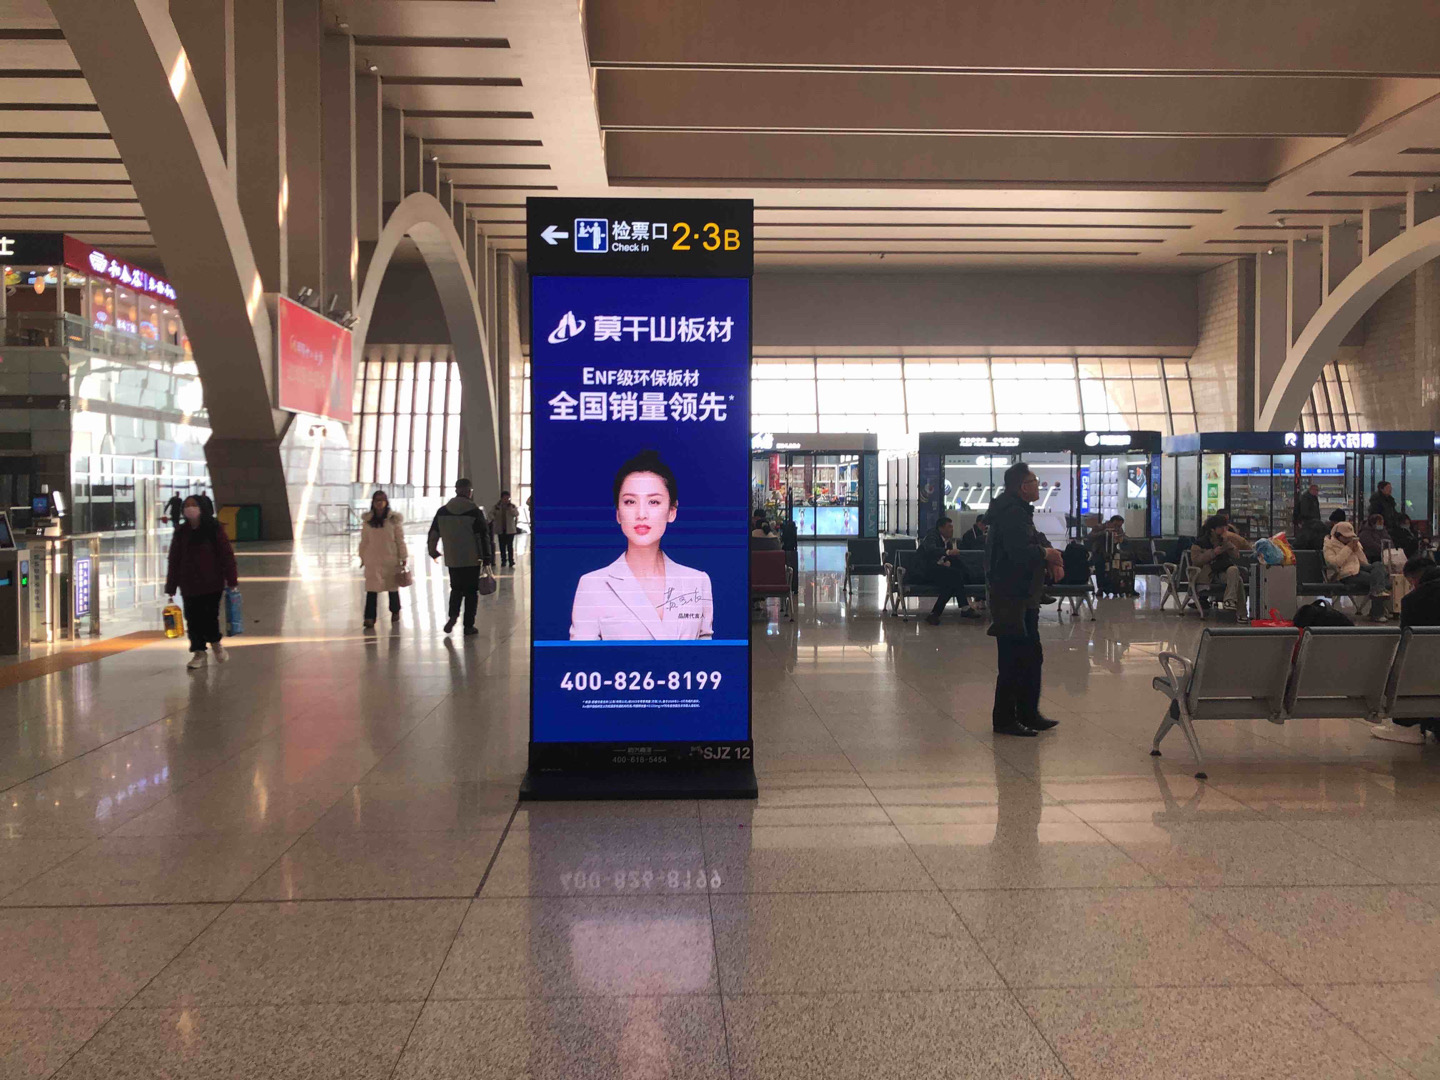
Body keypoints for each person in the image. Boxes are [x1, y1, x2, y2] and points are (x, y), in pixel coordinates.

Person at [570, 450, 713, 640]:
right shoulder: (593, 585)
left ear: (672, 511)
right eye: (630, 502)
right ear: (618, 513)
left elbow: (706, 654)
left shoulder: (697, 582)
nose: (641, 514)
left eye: (653, 502)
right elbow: (582, 657)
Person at [985, 461, 1061, 737]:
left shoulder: (1019, 511)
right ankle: (1005, 719)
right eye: (1034, 481)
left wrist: (1051, 553)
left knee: (1031, 656)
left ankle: (1028, 712)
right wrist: (1046, 554)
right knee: (1014, 659)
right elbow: (1019, 552)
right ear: (1022, 487)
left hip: (1025, 595)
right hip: (1010, 596)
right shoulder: (1010, 514)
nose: (1038, 485)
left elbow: (1036, 538)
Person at [164, 495, 238, 670]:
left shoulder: (214, 529)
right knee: (192, 618)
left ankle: (215, 643)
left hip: (212, 582)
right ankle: (199, 652)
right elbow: (174, 559)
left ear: (202, 507)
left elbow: (226, 556)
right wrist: (171, 585)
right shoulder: (181, 532)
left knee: (209, 616)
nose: (189, 508)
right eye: (187, 505)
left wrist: (231, 579)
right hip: (189, 583)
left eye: (194, 505)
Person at [428, 478, 493, 636]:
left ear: (456, 490)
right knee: (471, 592)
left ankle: (453, 616)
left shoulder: (442, 511)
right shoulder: (475, 512)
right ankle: (468, 626)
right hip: (471, 558)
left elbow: (433, 533)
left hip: (453, 558)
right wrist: (487, 557)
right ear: (469, 492)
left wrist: (433, 551)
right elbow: (483, 536)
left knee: (456, 589)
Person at [915, 515, 980, 624]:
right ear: (941, 528)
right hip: (923, 572)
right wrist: (948, 552)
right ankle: (964, 608)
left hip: (935, 571)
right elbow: (931, 550)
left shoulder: (947, 541)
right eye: (949, 527)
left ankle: (934, 614)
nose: (952, 529)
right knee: (955, 575)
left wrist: (946, 561)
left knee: (952, 582)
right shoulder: (932, 536)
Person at [358, 490, 408, 629]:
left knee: (392, 587)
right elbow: (364, 541)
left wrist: (403, 556)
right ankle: (369, 617)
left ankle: (395, 610)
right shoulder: (368, 522)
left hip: (390, 558)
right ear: (373, 502)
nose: (379, 503)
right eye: (377, 500)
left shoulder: (393, 520)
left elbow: (400, 540)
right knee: (371, 588)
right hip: (373, 559)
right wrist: (362, 556)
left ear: (386, 502)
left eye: (382, 500)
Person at [1323, 519, 1390, 621]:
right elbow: (1335, 563)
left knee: (1378, 565)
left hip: (1358, 568)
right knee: (1378, 581)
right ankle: (1377, 613)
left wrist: (1357, 549)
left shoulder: (1353, 543)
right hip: (1345, 573)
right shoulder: (1329, 546)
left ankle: (1377, 605)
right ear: (1338, 535)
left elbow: (1364, 562)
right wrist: (1348, 548)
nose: (1348, 539)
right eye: (1346, 537)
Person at [1190, 515, 1251, 612]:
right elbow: (1196, 560)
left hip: (1222, 572)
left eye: (1225, 527)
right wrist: (1213, 553)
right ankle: (1241, 613)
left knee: (1234, 570)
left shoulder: (1225, 540)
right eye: (1221, 527)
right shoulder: (1200, 543)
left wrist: (1229, 546)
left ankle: (1229, 600)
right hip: (1207, 575)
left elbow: (1236, 556)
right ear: (1212, 529)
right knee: (1238, 580)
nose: (1224, 530)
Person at [491, 490, 520, 569]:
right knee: (502, 546)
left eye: (508, 498)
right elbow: (491, 514)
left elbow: (516, 514)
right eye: (505, 498)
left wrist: (511, 509)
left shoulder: (512, 506)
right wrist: (493, 518)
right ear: (501, 498)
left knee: (510, 546)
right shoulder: (497, 506)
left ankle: (511, 560)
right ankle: (503, 560)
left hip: (510, 530)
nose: (506, 500)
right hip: (501, 529)